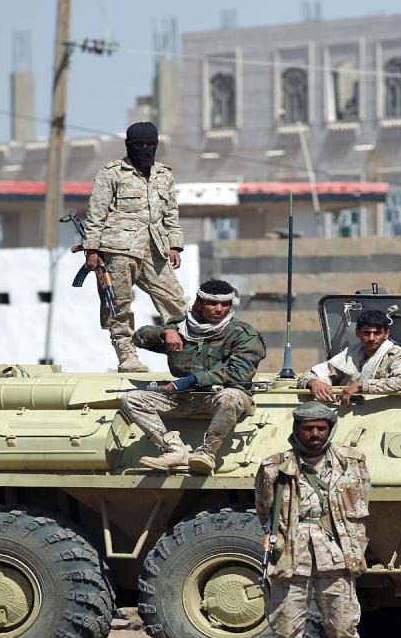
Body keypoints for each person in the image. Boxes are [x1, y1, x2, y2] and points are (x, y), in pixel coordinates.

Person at [256, 401, 370, 638]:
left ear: (330, 429)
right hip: (290, 558)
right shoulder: (274, 467)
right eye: (309, 428)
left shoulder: (352, 463)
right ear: (297, 430)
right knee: (285, 631)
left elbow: (361, 507)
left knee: (344, 630)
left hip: (337, 557)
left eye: (321, 428)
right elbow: (265, 511)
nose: (315, 434)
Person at [120, 279, 265, 474]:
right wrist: (165, 332)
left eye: (225, 304)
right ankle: (173, 449)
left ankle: (207, 453)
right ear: (199, 303)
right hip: (184, 397)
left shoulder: (242, 334)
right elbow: (139, 338)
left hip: (220, 396)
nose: (219, 309)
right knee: (132, 399)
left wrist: (193, 380)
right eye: (212, 303)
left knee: (230, 397)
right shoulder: (181, 328)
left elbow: (240, 373)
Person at [82, 121, 189, 372]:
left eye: (151, 144)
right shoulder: (112, 173)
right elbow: (96, 213)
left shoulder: (164, 175)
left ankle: (185, 352)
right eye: (139, 144)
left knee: (174, 300)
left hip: (155, 248)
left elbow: (171, 214)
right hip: (119, 249)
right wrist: (92, 249)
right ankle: (127, 354)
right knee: (118, 303)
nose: (145, 149)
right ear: (129, 145)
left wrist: (175, 245)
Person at [299, 309, 401, 405]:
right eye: (366, 333)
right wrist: (313, 382)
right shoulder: (349, 354)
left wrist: (360, 386)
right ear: (357, 333)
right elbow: (310, 374)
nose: (371, 338)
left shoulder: (398, 355)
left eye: (377, 333)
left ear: (386, 334)